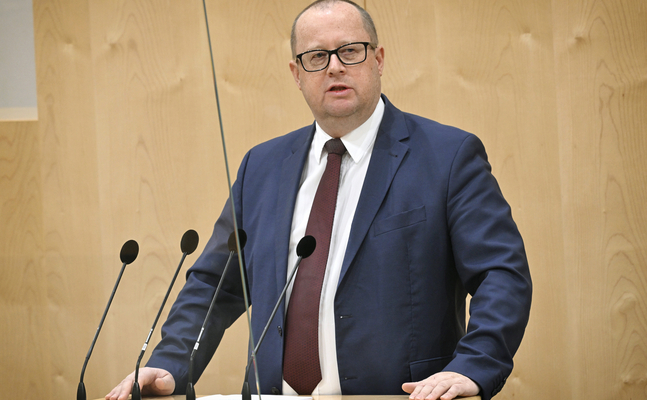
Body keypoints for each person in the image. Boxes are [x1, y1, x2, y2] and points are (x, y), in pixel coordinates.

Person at [106, 1, 532, 400]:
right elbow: (215, 284)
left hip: (398, 394)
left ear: (378, 59)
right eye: (316, 57)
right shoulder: (263, 165)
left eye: (351, 51)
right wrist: (170, 363)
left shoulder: (447, 156)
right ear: (296, 73)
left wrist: (474, 366)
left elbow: (501, 273)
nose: (334, 68)